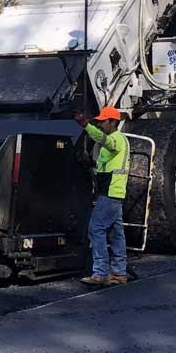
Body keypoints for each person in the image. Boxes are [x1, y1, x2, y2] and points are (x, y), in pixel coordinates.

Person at [75, 105, 129, 286]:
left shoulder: (116, 139)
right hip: (114, 191)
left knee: (96, 228)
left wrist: (86, 125)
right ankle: (119, 273)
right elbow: (104, 165)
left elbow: (104, 140)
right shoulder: (117, 140)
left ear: (113, 122)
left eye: (103, 121)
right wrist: (90, 163)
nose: (100, 125)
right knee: (116, 233)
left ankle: (100, 272)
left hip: (110, 191)